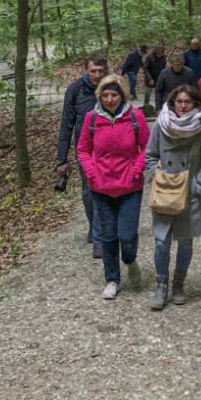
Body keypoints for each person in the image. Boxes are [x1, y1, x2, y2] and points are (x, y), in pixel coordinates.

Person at [145, 85, 201, 311]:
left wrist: (197, 185)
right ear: (173, 102)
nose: (183, 106)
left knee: (186, 241)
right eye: (179, 101)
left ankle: (179, 283)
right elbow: (150, 155)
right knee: (161, 242)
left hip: (189, 192)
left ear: (194, 104)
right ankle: (161, 284)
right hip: (164, 190)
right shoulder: (161, 123)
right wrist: (156, 177)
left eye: (187, 102)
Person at [77, 74, 150, 300]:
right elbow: (83, 150)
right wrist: (92, 172)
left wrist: (136, 170)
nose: (110, 99)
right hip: (101, 188)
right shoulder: (91, 118)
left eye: (114, 95)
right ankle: (112, 279)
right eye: (105, 95)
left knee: (126, 235)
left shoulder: (135, 116)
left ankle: (130, 259)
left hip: (130, 187)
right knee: (108, 236)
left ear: (122, 95)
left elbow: (148, 147)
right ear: (99, 96)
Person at [56, 54, 107, 259]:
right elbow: (66, 123)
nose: (97, 75)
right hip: (85, 150)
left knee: (107, 189)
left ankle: (103, 231)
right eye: (93, 71)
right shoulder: (75, 90)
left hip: (109, 149)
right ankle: (95, 227)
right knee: (89, 190)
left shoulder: (111, 87)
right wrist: (62, 158)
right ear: (86, 70)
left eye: (100, 71)